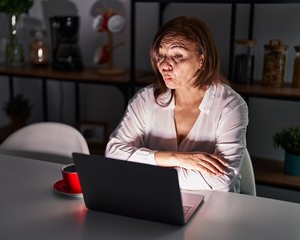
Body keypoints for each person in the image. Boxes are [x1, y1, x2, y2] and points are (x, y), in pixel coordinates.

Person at [105, 16, 248, 192]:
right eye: (161, 55)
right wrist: (176, 158)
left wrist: (146, 170)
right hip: (156, 199)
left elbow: (223, 179)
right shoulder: (145, 99)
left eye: (178, 55)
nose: (165, 65)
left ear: (202, 60)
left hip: (215, 207)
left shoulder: (231, 106)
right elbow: (113, 154)